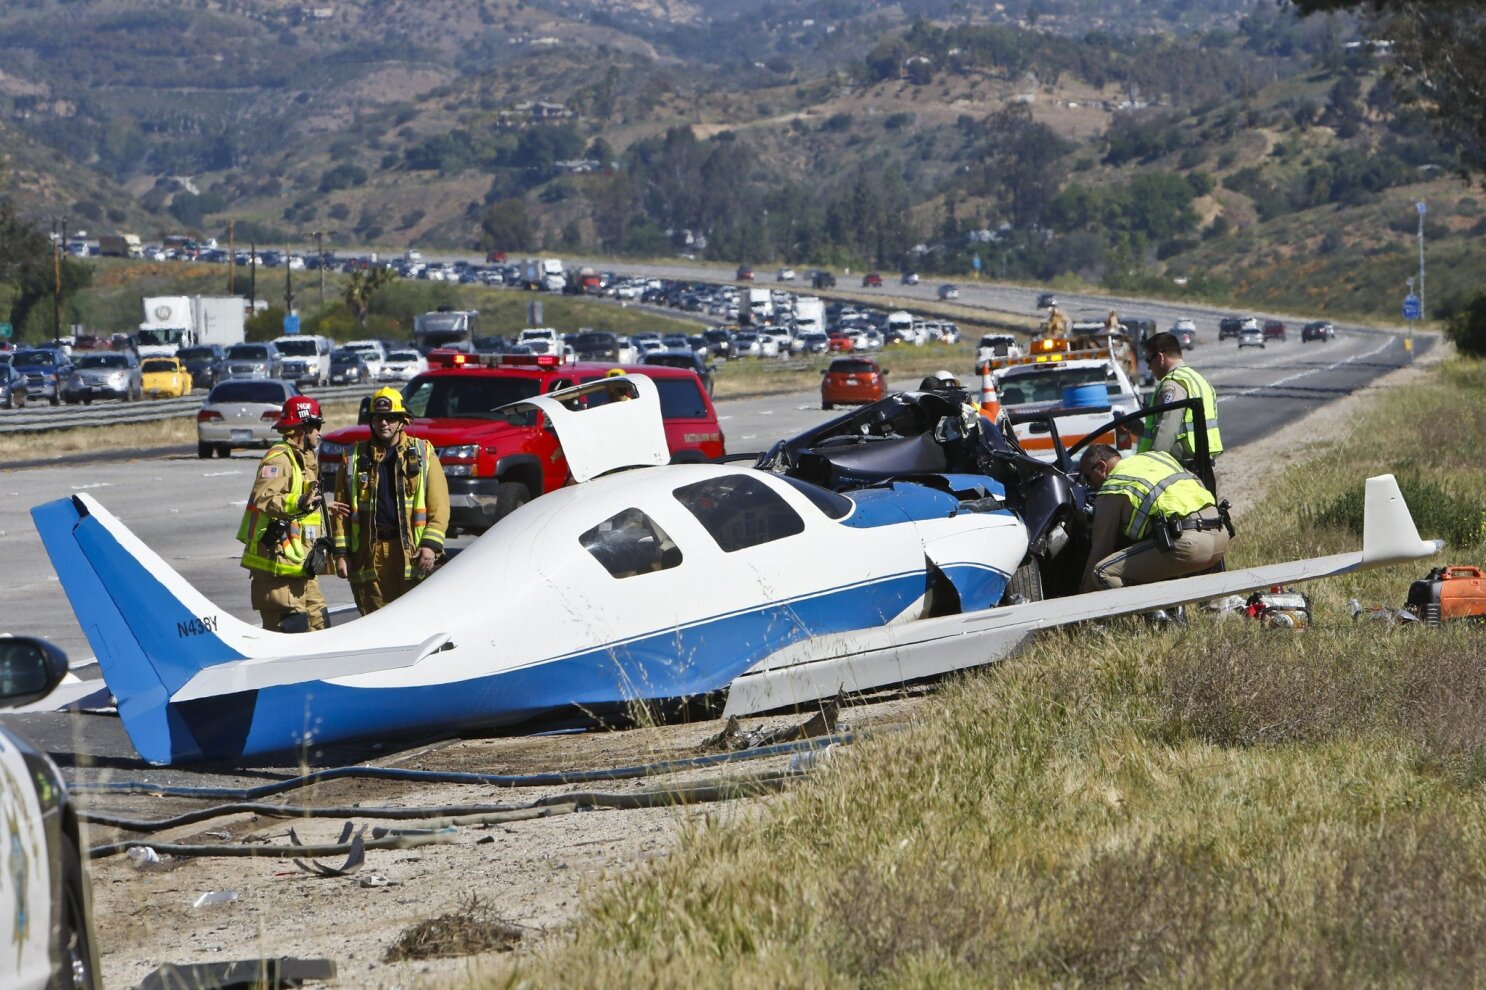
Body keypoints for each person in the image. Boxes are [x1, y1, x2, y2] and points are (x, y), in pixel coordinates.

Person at [332, 386, 450, 614]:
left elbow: (439, 506)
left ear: (402, 421)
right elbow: (341, 512)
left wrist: (430, 545)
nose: (383, 423)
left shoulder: (424, 453)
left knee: (415, 617)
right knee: (375, 619)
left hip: (410, 553)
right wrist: (341, 554)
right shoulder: (353, 457)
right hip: (369, 554)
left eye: (390, 418)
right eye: (377, 418)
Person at [237, 395, 346, 632]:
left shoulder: (304, 459)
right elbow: (264, 498)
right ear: (302, 427)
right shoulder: (280, 458)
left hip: (300, 566)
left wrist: (323, 506)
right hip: (277, 568)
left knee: (320, 627)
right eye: (316, 425)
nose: (320, 431)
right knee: (290, 632)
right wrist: (299, 501)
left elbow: (301, 502)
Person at [1077, 444, 1231, 593]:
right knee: (1154, 552)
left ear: (1102, 467)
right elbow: (1198, 483)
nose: (1089, 485)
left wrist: (1082, 603)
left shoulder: (1112, 487)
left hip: (1189, 545)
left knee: (1102, 572)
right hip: (1221, 536)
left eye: (1087, 478)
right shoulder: (1157, 457)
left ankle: (1153, 614)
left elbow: (1100, 550)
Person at [1137, 331, 1222, 468]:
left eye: (1148, 360)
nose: (1148, 367)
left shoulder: (1172, 384)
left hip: (1182, 469)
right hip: (1204, 466)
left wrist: (1151, 468)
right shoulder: (1198, 379)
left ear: (1160, 357)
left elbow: (1167, 430)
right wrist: (1136, 428)